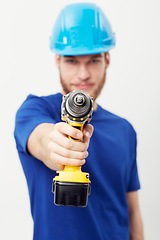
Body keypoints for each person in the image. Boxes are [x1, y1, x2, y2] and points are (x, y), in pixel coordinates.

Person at [14, 3, 144, 240]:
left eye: (93, 61)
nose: (83, 74)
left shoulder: (125, 130)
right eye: (72, 61)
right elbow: (43, 140)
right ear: (58, 61)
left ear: (107, 60)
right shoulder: (34, 110)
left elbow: (133, 212)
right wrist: (57, 149)